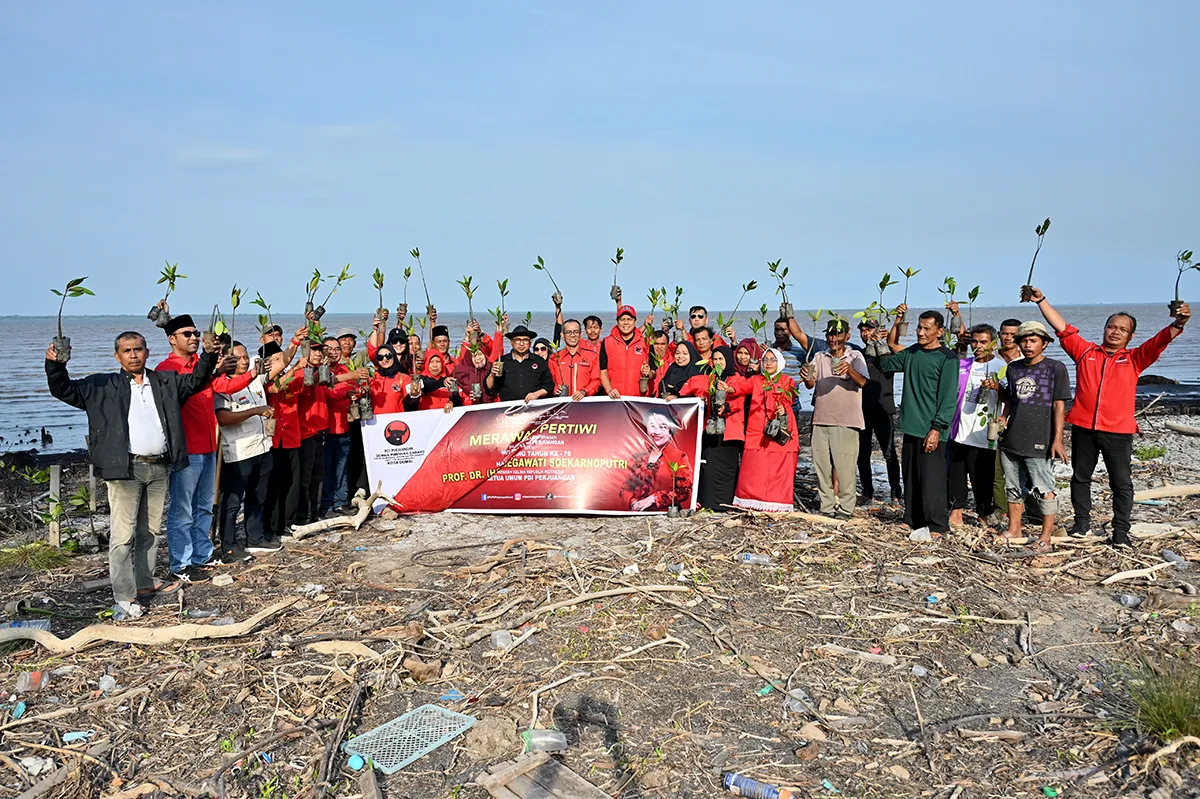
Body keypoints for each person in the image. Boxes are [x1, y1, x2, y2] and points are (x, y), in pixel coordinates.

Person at [45, 331, 218, 617]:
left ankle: (146, 582)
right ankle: (125, 595)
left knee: (149, 531)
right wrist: (55, 365)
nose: (134, 354)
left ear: (147, 352)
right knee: (123, 535)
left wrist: (209, 355)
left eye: (138, 349)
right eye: (127, 350)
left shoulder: (165, 383)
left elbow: (196, 380)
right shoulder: (102, 385)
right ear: (118, 356)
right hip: (124, 469)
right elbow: (64, 390)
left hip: (159, 466)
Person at [1029, 288, 1191, 546]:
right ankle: (1082, 525)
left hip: (1118, 431)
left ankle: (1120, 533)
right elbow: (1062, 328)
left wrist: (1179, 322)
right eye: (1111, 327)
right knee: (1080, 478)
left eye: (1122, 329)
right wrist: (1041, 301)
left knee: (1121, 483)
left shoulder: (1136, 358)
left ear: (1131, 335)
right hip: (1084, 427)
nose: (1115, 331)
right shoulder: (1085, 352)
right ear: (1104, 329)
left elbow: (1161, 340)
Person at [155, 313, 257, 583]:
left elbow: (226, 384)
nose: (194, 338)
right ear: (172, 339)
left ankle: (202, 554)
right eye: (187, 334)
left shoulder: (202, 366)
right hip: (186, 450)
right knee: (182, 509)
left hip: (209, 446)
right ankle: (180, 562)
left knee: (203, 506)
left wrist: (255, 373)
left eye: (196, 333)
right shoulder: (167, 369)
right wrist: (211, 368)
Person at [875, 306, 959, 537]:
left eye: (926, 329)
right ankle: (911, 518)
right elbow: (886, 365)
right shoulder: (912, 352)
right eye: (919, 327)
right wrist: (879, 343)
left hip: (932, 428)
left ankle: (937, 524)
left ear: (940, 331)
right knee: (911, 476)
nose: (920, 332)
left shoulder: (948, 358)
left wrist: (937, 428)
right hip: (911, 425)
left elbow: (948, 398)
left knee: (932, 479)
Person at [215, 340, 294, 560]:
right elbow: (223, 418)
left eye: (245, 356)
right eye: (238, 358)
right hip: (239, 452)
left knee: (258, 497)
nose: (243, 361)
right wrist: (255, 411)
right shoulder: (221, 386)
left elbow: (283, 361)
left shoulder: (254, 379)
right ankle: (228, 545)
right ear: (227, 360)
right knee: (232, 502)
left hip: (263, 446)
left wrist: (296, 341)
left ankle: (255, 538)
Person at [996, 320, 1071, 552]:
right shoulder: (1014, 368)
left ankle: (1045, 537)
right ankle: (1014, 528)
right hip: (1012, 437)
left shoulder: (1055, 368)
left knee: (1043, 487)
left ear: (1044, 344)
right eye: (1024, 341)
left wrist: (1057, 439)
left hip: (1040, 437)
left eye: (1033, 341)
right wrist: (1003, 418)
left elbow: (1059, 406)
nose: (1028, 345)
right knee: (1012, 486)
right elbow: (1010, 398)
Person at [803, 318, 869, 518]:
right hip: (821, 418)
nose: (834, 338)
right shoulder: (819, 356)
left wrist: (848, 369)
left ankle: (847, 508)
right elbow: (810, 384)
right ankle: (827, 506)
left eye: (838, 334)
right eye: (831, 334)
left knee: (846, 467)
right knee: (822, 465)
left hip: (847, 420)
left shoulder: (855, 356)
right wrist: (806, 375)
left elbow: (863, 382)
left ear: (847, 336)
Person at [727, 349, 800, 512]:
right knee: (754, 469)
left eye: (772, 360)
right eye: (765, 360)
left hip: (779, 429)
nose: (768, 363)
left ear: (779, 362)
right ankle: (750, 502)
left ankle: (777, 504)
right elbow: (741, 388)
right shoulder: (756, 380)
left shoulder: (788, 381)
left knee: (779, 470)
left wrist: (783, 408)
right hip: (757, 431)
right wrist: (729, 388)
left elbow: (789, 399)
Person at [947, 324, 1001, 527]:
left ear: (993, 343)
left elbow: (1009, 398)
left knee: (983, 476)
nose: (978, 346)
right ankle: (956, 511)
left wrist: (997, 387)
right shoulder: (963, 365)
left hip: (984, 431)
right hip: (960, 429)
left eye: (983, 342)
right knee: (956, 473)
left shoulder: (1002, 367)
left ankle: (984, 512)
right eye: (975, 342)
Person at [681, 346, 743, 511]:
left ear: (728, 360)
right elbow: (687, 389)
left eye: (721, 359)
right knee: (709, 466)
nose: (717, 362)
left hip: (730, 431)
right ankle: (708, 502)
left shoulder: (737, 379)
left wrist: (727, 407)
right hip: (711, 427)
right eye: (714, 359)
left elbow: (740, 400)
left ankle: (726, 503)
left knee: (727, 468)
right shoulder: (711, 378)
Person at [856, 320, 902, 506]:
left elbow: (899, 352)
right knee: (863, 454)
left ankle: (896, 492)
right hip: (861, 410)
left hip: (885, 409)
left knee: (890, 453)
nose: (866, 334)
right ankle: (868, 491)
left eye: (870, 330)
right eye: (863, 331)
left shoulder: (887, 354)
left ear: (879, 331)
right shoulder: (858, 355)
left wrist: (889, 337)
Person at [264, 343, 305, 538]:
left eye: (281, 359)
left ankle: (289, 521)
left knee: (292, 483)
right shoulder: (263, 380)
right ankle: (272, 525)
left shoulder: (295, 378)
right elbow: (273, 389)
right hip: (272, 439)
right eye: (275, 360)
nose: (279, 363)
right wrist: (294, 368)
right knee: (274, 484)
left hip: (291, 437)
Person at [618, 407, 694, 512]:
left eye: (663, 427)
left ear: (670, 431)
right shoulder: (639, 457)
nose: (657, 432)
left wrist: (654, 499)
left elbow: (685, 491)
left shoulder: (678, 457)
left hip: (665, 516)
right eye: (652, 426)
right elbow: (625, 489)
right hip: (637, 516)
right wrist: (633, 502)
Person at [485, 324, 555, 403]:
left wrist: (536, 394)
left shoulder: (539, 361)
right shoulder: (502, 361)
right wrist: (492, 375)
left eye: (525, 340)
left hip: (534, 409)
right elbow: (489, 390)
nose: (521, 343)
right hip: (508, 410)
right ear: (511, 342)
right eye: (518, 340)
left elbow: (549, 386)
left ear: (530, 343)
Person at [600, 306, 650, 398]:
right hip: (614, 398)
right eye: (622, 319)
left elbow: (653, 373)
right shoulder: (607, 342)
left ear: (635, 321)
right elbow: (603, 372)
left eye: (629, 319)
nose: (626, 322)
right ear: (617, 321)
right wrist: (609, 390)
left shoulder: (645, 342)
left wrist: (648, 372)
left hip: (638, 399)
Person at [549, 319, 600, 400]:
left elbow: (596, 380)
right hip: (561, 404)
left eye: (576, 332)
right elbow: (550, 381)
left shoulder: (592, 356)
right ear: (562, 335)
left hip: (585, 403)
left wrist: (584, 391)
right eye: (568, 332)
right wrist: (555, 389)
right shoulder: (554, 358)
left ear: (581, 334)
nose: (572, 335)